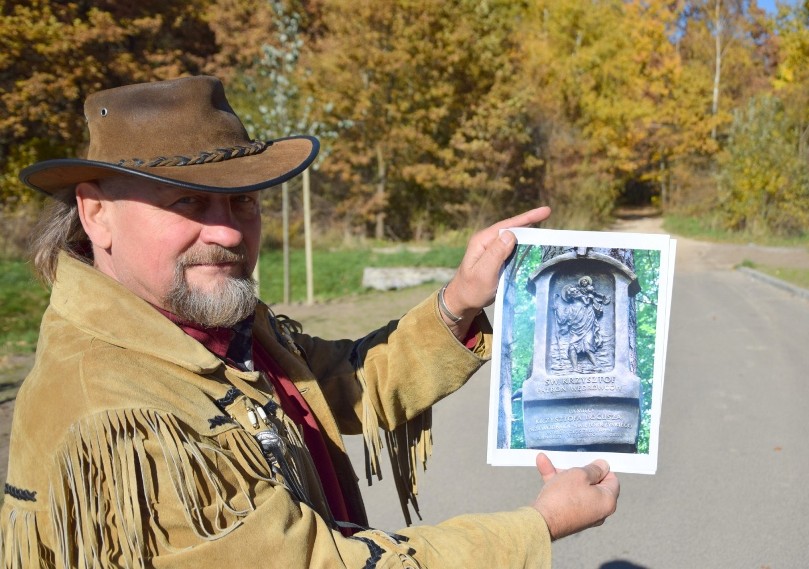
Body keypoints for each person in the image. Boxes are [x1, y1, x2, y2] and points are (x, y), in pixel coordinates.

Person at [0, 76, 619, 567]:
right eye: (186, 201)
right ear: (96, 214)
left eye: (243, 201)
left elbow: (342, 385)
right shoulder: (114, 415)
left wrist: (459, 299)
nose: (225, 230)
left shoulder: (204, 327)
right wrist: (536, 527)